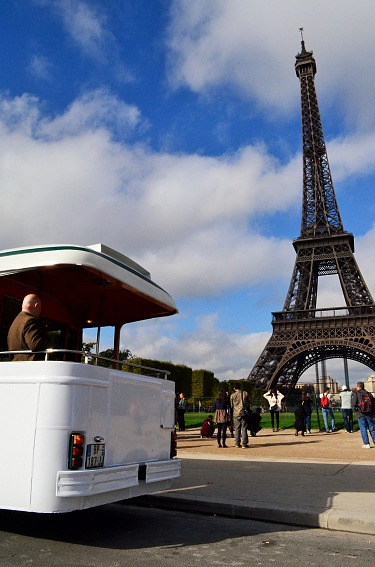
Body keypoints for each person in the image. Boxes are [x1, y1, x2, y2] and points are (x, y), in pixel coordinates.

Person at [7, 294, 49, 361]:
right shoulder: (30, 320)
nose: (40, 311)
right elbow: (35, 344)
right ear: (36, 306)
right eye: (40, 308)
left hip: (16, 365)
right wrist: (54, 347)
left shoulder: (15, 322)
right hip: (31, 367)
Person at [352, 381, 375, 448]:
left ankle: (366, 443)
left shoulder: (356, 394)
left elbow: (353, 404)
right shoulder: (369, 394)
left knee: (363, 428)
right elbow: (373, 404)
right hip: (369, 413)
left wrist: (355, 411)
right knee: (372, 428)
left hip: (360, 413)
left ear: (359, 386)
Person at [230, 383, 250, 448]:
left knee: (237, 429)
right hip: (243, 413)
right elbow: (247, 403)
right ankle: (244, 444)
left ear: (234, 388)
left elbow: (231, 405)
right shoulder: (244, 393)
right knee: (244, 428)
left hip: (235, 413)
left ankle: (237, 443)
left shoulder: (232, 395)